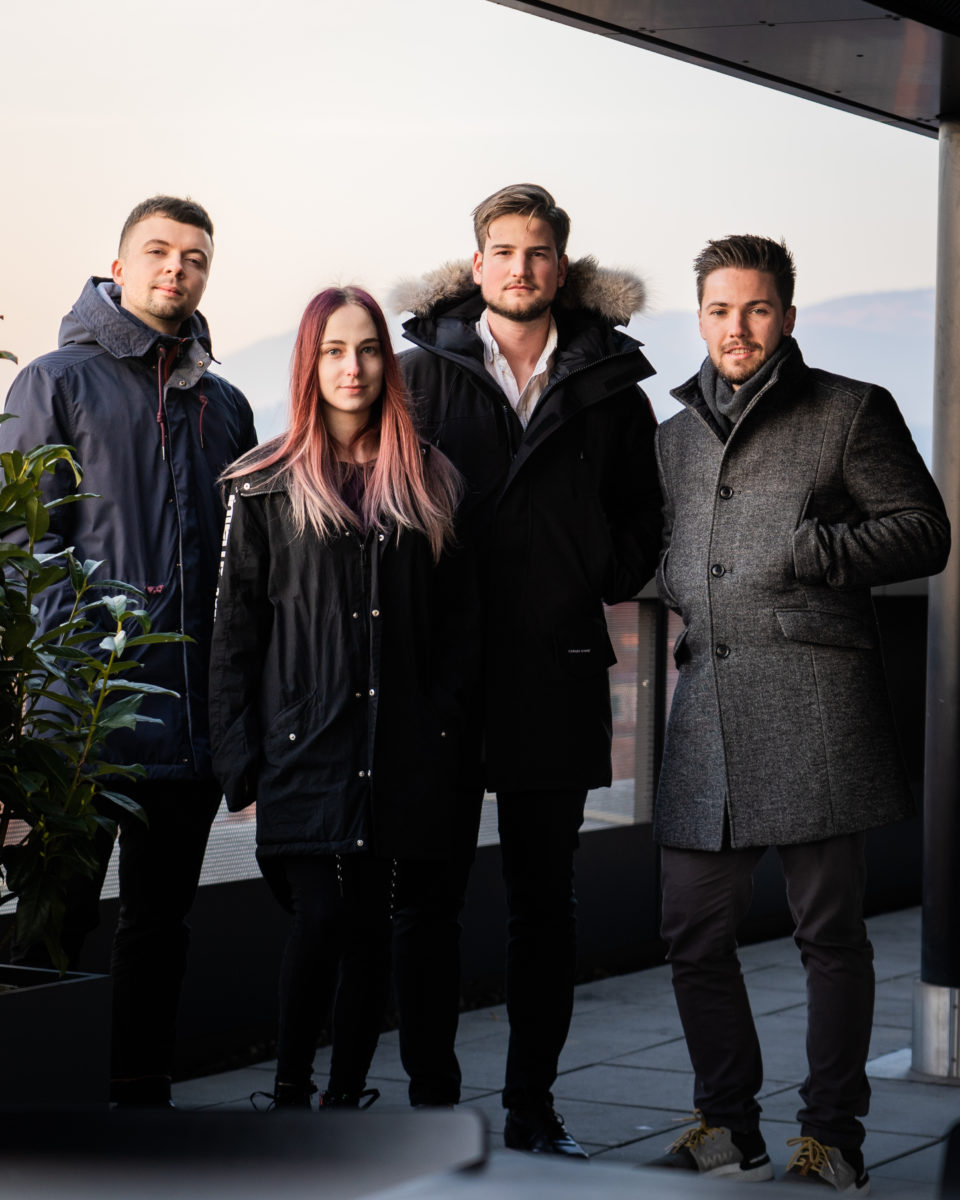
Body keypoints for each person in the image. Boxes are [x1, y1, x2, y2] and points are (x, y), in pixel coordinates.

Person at [650, 234, 950, 1190]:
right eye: (720, 311)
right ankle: (725, 1123)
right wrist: (672, 578)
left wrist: (813, 549)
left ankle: (832, 1137)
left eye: (758, 309)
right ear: (699, 317)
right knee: (692, 930)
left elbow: (925, 530)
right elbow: (673, 548)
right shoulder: (673, 436)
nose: (738, 330)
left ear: (787, 313)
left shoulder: (850, 410)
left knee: (830, 935)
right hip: (708, 713)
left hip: (817, 707)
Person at [393, 183, 662, 1156]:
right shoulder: (417, 379)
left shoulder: (608, 387)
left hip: (556, 667)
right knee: (426, 899)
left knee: (544, 904)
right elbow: (379, 506)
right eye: (503, 251)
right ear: (476, 266)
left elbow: (644, 522)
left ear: (563, 264)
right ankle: (431, 1105)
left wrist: (593, 563)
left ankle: (531, 1108)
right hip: (442, 675)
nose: (520, 268)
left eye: (538, 251)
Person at [0, 195, 256, 1106]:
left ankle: (141, 1095)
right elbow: (26, 550)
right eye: (158, 251)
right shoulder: (53, 381)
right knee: (51, 925)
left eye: (194, 257)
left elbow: (240, 567)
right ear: (118, 266)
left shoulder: (224, 403)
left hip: (187, 728)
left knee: (160, 928)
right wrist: (74, 673)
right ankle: (37, 1103)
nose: (176, 269)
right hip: (83, 722)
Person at [208, 287, 483, 1110]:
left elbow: (459, 630)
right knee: (321, 918)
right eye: (333, 350)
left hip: (398, 754)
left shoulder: (431, 480)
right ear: (309, 363)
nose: (353, 367)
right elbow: (232, 635)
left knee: (367, 930)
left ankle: (346, 1097)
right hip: (301, 751)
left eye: (367, 349)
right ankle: (293, 1093)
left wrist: (438, 730)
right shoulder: (262, 484)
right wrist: (239, 761)